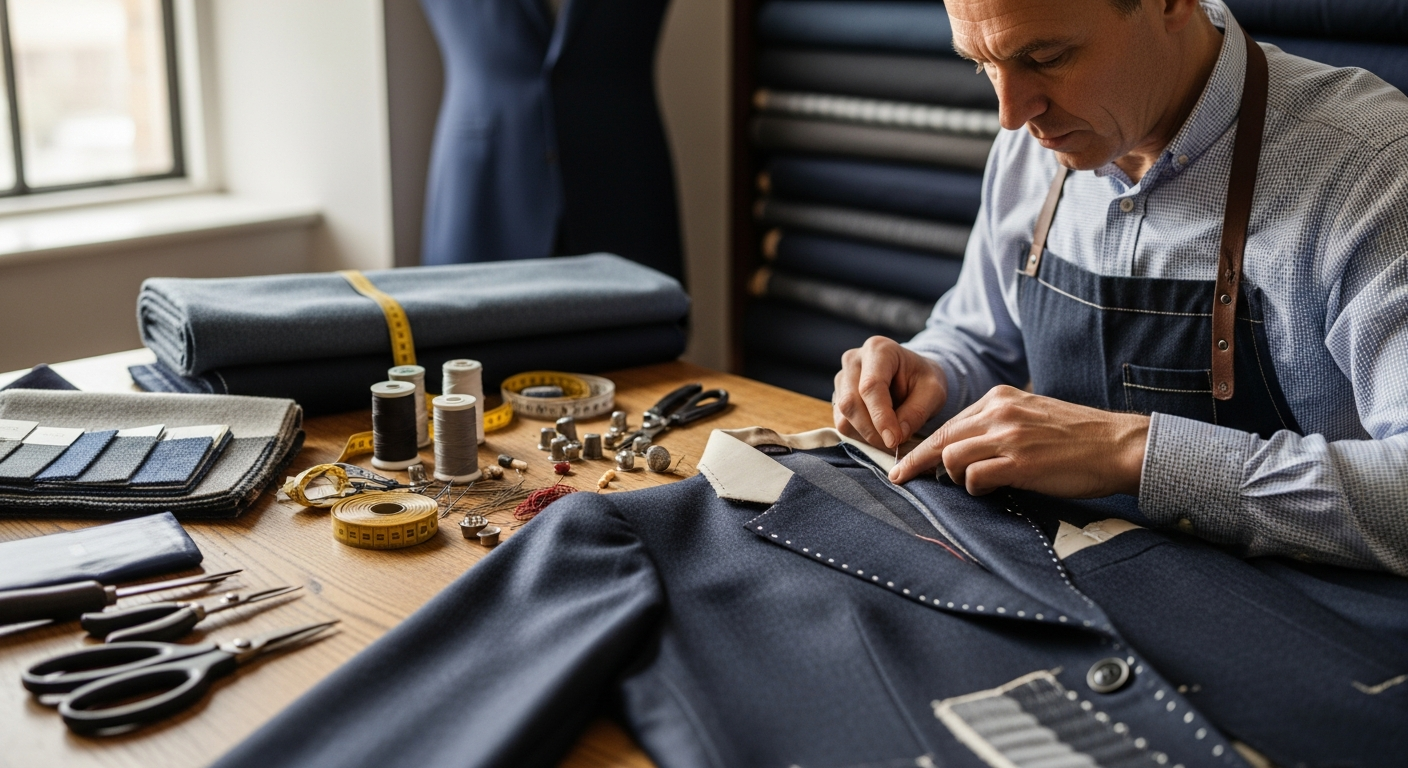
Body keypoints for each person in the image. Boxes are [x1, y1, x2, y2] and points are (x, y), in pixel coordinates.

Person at [832, 0, 1408, 573]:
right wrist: (932, 372)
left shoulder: (1372, 167)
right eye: (983, 64)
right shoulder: (1038, 139)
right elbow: (980, 339)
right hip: (1076, 582)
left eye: (1047, 57)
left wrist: (1131, 452)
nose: (1010, 114)